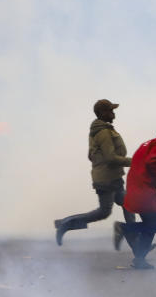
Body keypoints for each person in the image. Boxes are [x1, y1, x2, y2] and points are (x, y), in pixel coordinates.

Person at [54, 99, 135, 246]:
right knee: (103, 212)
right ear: (103, 113)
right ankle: (65, 224)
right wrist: (133, 162)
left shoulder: (101, 129)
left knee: (128, 204)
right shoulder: (103, 132)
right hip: (107, 180)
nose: (114, 114)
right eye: (111, 111)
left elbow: (92, 155)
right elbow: (110, 157)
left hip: (113, 177)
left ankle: (138, 247)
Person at [115, 121, 156, 269]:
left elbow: (145, 167)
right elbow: (152, 164)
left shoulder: (151, 142)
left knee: (151, 225)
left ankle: (139, 260)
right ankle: (124, 228)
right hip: (143, 191)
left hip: (136, 188)